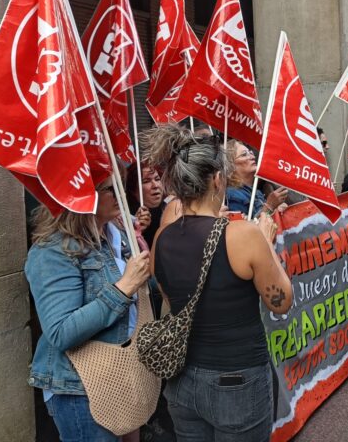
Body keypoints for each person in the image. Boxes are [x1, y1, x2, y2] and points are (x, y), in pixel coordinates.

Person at [144, 125, 292, 441]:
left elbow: (171, 301)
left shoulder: (162, 237)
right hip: (236, 380)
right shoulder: (243, 235)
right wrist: (265, 244)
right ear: (217, 179)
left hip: (182, 380)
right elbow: (281, 300)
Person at [25, 181, 152, 441]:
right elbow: (61, 332)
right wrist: (123, 287)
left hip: (123, 373)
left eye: (120, 183)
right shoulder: (52, 251)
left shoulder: (115, 235)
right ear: (80, 193)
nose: (119, 193)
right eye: (108, 187)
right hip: (80, 389)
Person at [226, 140, 288, 218]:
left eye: (250, 152)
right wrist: (269, 206)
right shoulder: (232, 195)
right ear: (230, 166)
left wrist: (276, 209)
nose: (252, 157)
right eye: (244, 154)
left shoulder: (256, 192)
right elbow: (244, 228)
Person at [126, 163, 165, 247]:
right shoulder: (125, 218)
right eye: (146, 181)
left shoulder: (173, 208)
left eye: (157, 179)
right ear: (133, 190)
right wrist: (136, 230)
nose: (155, 185)